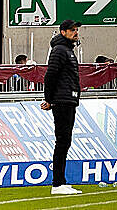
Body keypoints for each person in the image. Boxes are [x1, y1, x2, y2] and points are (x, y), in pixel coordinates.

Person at [43, 19, 82, 196]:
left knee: (65, 141)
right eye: (72, 30)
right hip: (62, 101)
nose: (76, 32)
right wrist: (49, 99)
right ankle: (57, 183)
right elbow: (50, 75)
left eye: (76, 30)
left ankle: (61, 182)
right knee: (62, 141)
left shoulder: (67, 50)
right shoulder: (59, 50)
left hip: (68, 100)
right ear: (63, 32)